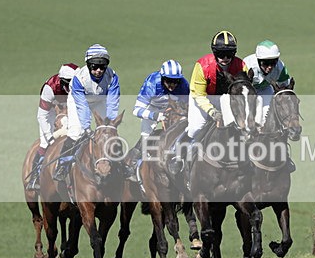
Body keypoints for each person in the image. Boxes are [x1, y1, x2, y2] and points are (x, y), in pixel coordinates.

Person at [168, 30, 247, 173]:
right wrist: (211, 111)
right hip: (202, 97)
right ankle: (177, 154)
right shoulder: (203, 66)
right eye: (220, 54)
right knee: (196, 128)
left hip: (226, 99)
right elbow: (198, 94)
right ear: (214, 53)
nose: (225, 58)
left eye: (229, 54)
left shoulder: (242, 66)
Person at [53, 44, 120, 181]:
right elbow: (82, 105)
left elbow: (113, 101)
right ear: (88, 65)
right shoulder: (79, 78)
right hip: (79, 101)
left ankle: (120, 165)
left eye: (102, 66)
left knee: (108, 133)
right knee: (76, 132)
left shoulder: (112, 77)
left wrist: (110, 123)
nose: (99, 70)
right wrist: (87, 127)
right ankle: (62, 164)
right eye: (94, 66)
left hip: (100, 100)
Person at [124, 60, 190, 181]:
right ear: (162, 78)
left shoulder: (184, 85)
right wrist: (156, 116)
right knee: (147, 135)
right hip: (153, 108)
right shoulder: (152, 82)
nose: (172, 85)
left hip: (174, 110)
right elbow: (136, 110)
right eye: (169, 80)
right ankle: (133, 165)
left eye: (175, 81)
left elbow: (187, 107)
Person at [27, 62, 78, 189]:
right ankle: (35, 176)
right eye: (69, 83)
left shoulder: (80, 84)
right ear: (62, 81)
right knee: (45, 143)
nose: (73, 86)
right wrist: (49, 137)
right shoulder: (50, 88)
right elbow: (42, 116)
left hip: (73, 108)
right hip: (50, 112)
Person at [242, 39, 292, 123]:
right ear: (258, 60)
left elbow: (284, 90)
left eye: (273, 62)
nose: (270, 67)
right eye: (266, 63)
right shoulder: (247, 65)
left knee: (266, 115)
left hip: (265, 89)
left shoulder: (280, 67)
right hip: (248, 91)